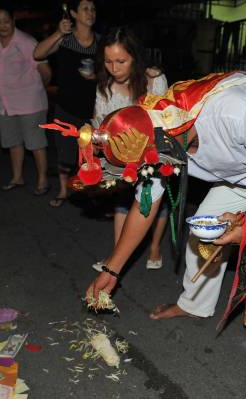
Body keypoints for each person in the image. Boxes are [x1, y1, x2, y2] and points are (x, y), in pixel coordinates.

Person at [85, 72, 246, 391]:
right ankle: (195, 304)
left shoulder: (235, 111)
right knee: (204, 225)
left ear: (171, 136)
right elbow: (146, 205)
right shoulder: (154, 135)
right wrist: (112, 269)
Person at [91, 26, 169, 270]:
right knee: (123, 201)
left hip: (155, 152)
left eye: (121, 61)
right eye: (108, 62)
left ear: (135, 57)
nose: (114, 69)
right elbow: (99, 122)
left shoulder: (155, 80)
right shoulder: (105, 86)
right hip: (121, 154)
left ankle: (155, 248)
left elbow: (168, 121)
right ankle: (117, 259)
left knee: (155, 202)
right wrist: (91, 137)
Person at [33, 0, 98, 208]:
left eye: (93, 9)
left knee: (90, 153)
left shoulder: (100, 42)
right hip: (66, 106)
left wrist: (95, 76)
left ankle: (88, 190)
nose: (90, 12)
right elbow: (37, 53)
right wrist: (58, 33)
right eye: (85, 8)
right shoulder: (65, 40)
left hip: (93, 108)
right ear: (73, 13)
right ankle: (63, 191)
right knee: (65, 153)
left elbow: (111, 71)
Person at [0, 4, 52, 195]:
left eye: (6, 21)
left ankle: (43, 180)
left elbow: (45, 70)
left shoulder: (26, 41)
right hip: (6, 105)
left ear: (13, 21)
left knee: (36, 143)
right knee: (13, 143)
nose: (3, 25)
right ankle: (17, 178)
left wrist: (38, 90)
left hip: (30, 104)